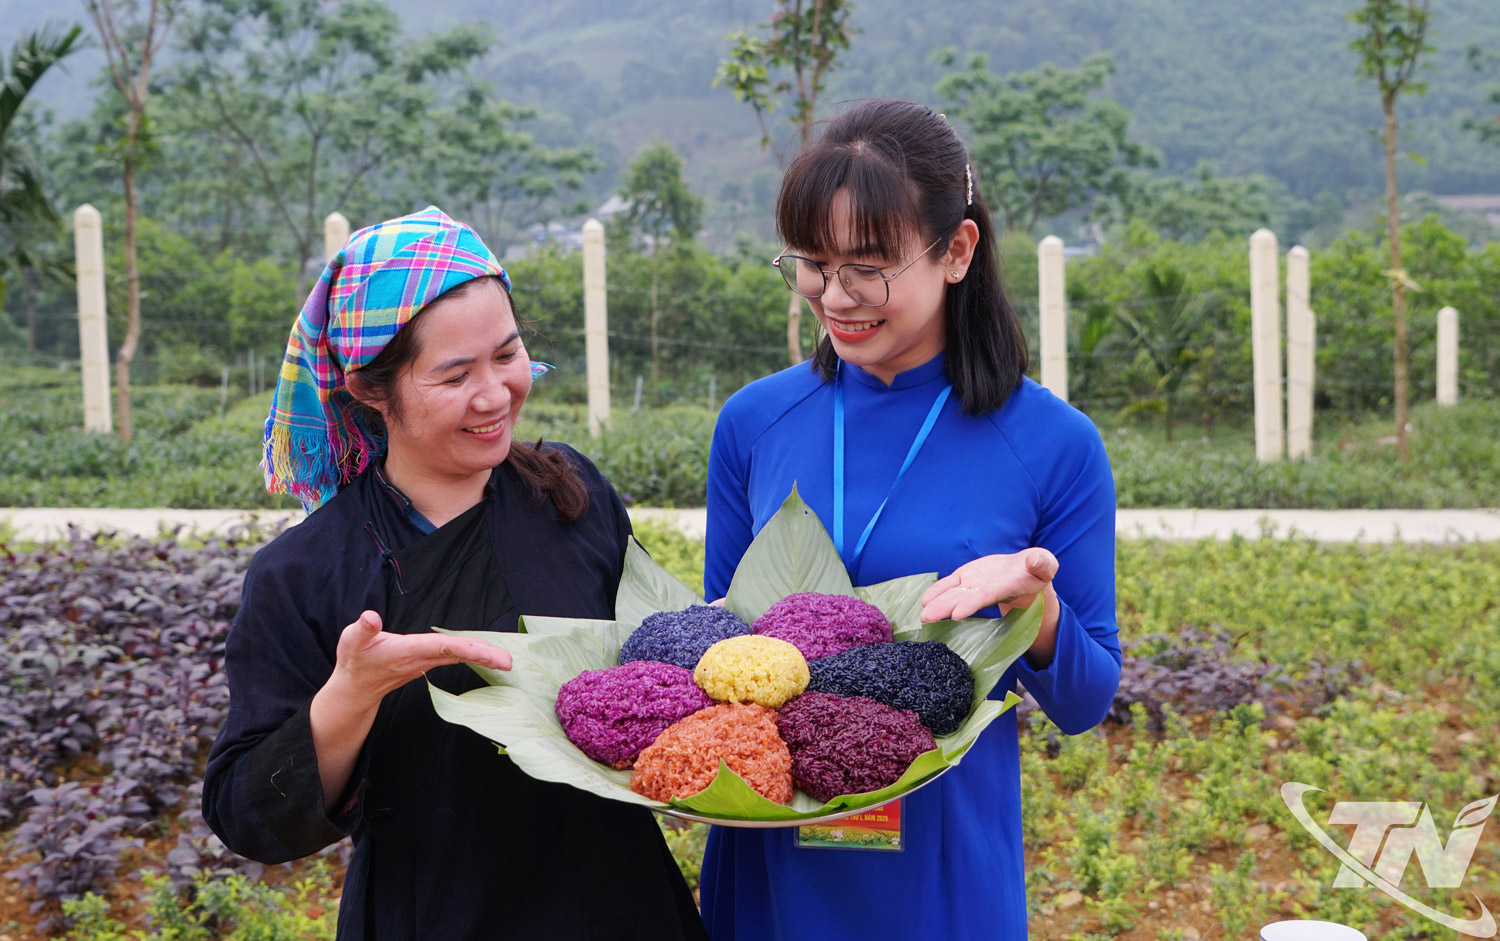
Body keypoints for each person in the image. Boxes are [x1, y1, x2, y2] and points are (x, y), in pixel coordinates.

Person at [202, 207, 706, 941]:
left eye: (506, 355)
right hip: (435, 914)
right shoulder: (305, 571)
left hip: (622, 903)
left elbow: (655, 660)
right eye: (455, 374)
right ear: (371, 389)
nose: (496, 394)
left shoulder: (571, 492)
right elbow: (249, 815)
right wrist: (351, 695)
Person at [699, 100, 1122, 939]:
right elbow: (726, 649)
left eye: (870, 266)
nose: (838, 295)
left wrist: (1031, 608)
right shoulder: (754, 423)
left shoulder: (1053, 444)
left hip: (940, 856)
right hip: (771, 850)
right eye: (814, 264)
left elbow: (1086, 697)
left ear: (957, 250)